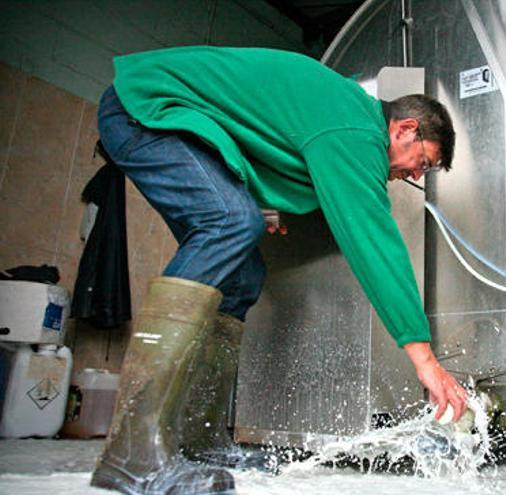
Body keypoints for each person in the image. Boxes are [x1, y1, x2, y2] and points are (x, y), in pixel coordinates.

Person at [91, 45, 467, 495]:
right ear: (405, 128)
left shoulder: (346, 116)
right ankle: (133, 454)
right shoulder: (355, 129)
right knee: (229, 222)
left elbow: (252, 133)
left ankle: (200, 440)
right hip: (145, 110)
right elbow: (374, 244)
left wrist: (260, 201)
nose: (413, 175)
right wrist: (425, 360)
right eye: (421, 161)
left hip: (174, 124)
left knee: (244, 271)